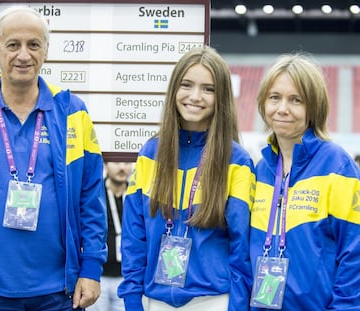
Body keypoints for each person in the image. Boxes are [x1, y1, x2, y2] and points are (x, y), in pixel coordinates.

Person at [0, 5, 107, 311]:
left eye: (34, 44)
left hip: (62, 292)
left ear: (46, 51)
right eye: (12, 44)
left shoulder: (72, 111)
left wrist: (90, 268)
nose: (23, 55)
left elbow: (91, 197)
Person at [117, 46, 255, 311]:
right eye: (187, 85)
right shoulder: (150, 154)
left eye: (208, 89)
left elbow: (242, 247)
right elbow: (134, 237)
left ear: (221, 97)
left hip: (214, 301)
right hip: (154, 301)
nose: (195, 96)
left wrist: (237, 306)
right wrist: (133, 299)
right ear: (174, 90)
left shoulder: (237, 161)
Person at [249, 53, 360, 310]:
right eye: (274, 97)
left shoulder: (337, 166)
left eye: (295, 100)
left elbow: (354, 254)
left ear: (313, 107)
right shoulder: (260, 169)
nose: (282, 108)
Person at [88, 162, 133, 311]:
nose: (122, 167)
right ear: (105, 165)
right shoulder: (94, 194)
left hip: (127, 277)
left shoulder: (135, 194)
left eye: (126, 163)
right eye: (116, 162)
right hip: (99, 276)